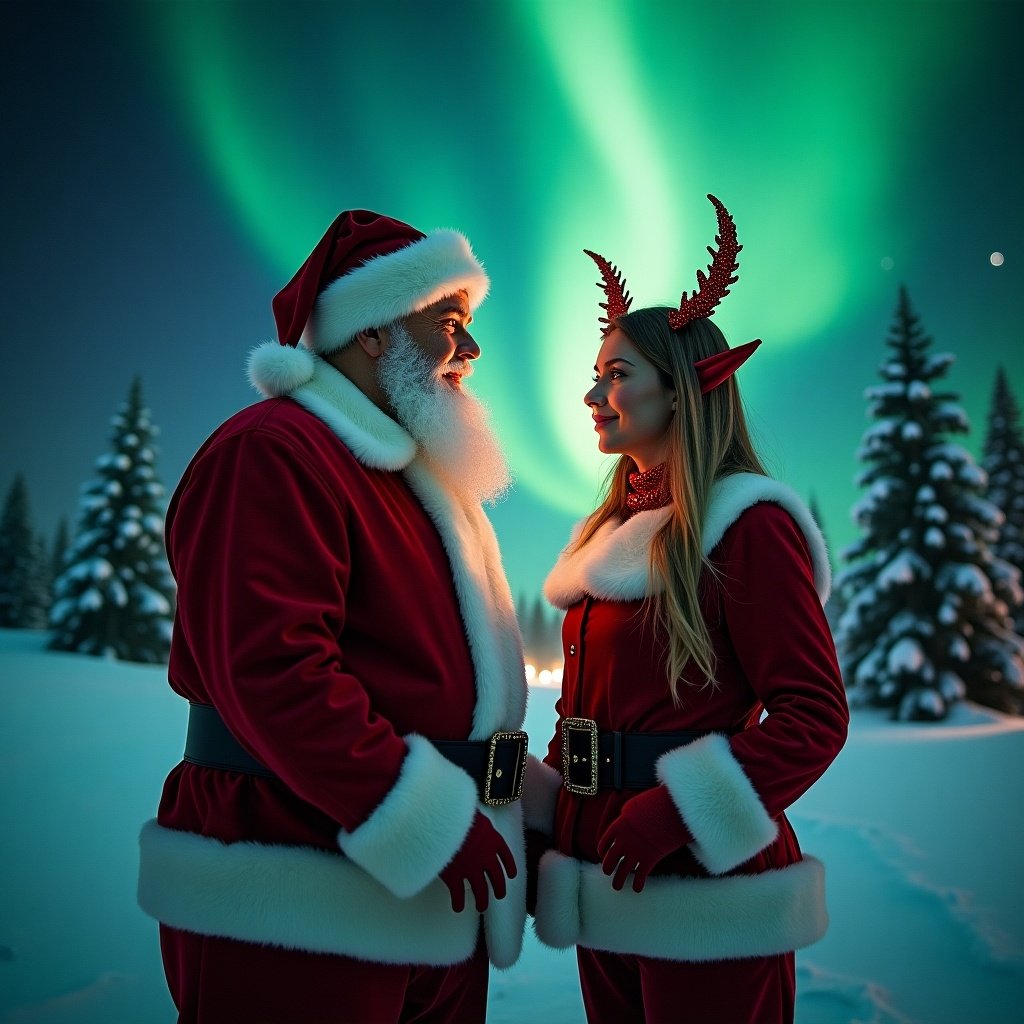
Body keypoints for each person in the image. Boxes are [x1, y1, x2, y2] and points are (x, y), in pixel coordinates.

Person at [137, 209, 537, 1023]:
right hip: (297, 891)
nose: (473, 350)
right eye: (449, 323)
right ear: (375, 333)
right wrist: (422, 819)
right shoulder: (275, 452)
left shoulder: (415, 486)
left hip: (429, 893)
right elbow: (275, 672)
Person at [529, 195, 850, 1023]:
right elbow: (587, 714)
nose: (593, 393)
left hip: (706, 881)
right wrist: (554, 818)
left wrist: (673, 815)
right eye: (596, 372)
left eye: (616, 373)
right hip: (604, 871)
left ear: (683, 388)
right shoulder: (607, 536)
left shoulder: (748, 526)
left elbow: (814, 715)